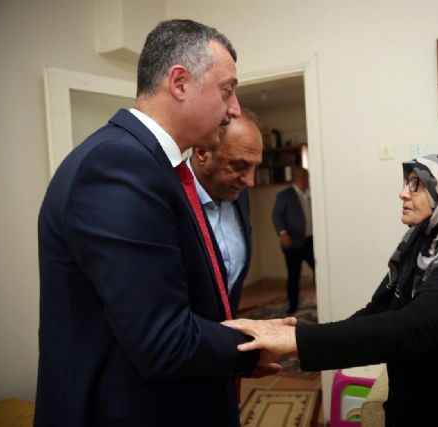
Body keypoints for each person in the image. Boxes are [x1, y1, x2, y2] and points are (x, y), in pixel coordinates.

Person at [35, 20, 281, 427]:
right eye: (227, 91)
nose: (234, 109)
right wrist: (254, 344)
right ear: (180, 83)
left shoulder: (151, 164)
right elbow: (163, 337)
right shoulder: (117, 164)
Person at [225, 154, 438, 426]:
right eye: (407, 182)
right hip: (422, 403)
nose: (403, 192)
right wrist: (301, 340)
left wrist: (293, 340)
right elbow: (377, 311)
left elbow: (409, 328)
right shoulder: (420, 244)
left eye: (417, 184)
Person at [187, 109, 263, 313]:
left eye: (255, 167)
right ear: (202, 152)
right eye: (239, 165)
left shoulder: (239, 194)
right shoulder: (168, 195)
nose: (250, 181)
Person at [272, 167, 315, 313]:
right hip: (292, 243)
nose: (308, 180)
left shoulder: (310, 194)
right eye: (306, 177)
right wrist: (282, 233)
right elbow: (276, 215)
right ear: (299, 178)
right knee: (293, 275)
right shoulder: (285, 195)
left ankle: (322, 298)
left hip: (310, 241)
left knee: (319, 271)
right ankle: (293, 305)